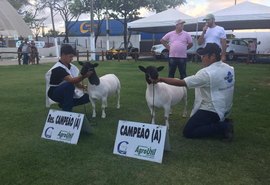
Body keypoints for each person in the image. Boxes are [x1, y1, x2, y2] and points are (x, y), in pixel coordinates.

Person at [154, 43, 235, 141]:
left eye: (204, 55)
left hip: (213, 109)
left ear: (213, 56)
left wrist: (161, 79)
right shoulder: (228, 68)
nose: (202, 58)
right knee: (198, 121)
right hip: (226, 107)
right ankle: (223, 121)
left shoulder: (206, 73)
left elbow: (182, 82)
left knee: (189, 131)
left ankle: (223, 127)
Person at [46, 44, 92, 112]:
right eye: (70, 56)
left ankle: (64, 104)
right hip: (54, 92)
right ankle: (67, 111)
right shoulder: (58, 68)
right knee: (69, 85)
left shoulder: (71, 67)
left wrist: (85, 87)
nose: (72, 59)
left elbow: (76, 83)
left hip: (66, 89)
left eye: (72, 57)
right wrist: (85, 76)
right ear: (63, 55)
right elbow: (71, 81)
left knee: (88, 97)